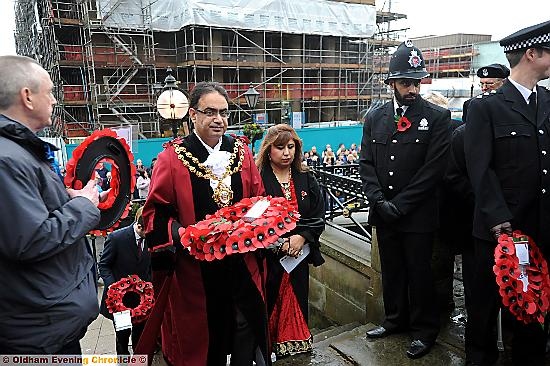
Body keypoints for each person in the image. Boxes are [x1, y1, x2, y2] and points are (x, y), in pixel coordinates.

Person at [141, 81, 270, 366]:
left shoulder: (242, 152)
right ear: (193, 115)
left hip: (242, 263)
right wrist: (186, 235)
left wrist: (257, 222)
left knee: (245, 331)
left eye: (224, 113)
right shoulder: (171, 159)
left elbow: (258, 198)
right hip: (197, 272)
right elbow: (155, 215)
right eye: (210, 112)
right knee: (202, 343)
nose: (219, 120)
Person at [0, 55, 101, 354]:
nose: (55, 100)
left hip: (47, 327)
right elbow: (29, 239)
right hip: (35, 337)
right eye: (50, 91)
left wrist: (65, 198)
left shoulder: (19, 151)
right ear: (27, 97)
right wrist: (82, 206)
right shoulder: (7, 159)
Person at [464, 20, 550, 366]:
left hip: (540, 227)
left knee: (536, 307)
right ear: (532, 54)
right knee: (486, 306)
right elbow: (480, 169)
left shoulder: (547, 101)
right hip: (500, 232)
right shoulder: (487, 107)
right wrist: (500, 221)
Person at [359, 40, 451, 359]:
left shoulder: (438, 117)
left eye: (416, 82)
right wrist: (379, 201)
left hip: (417, 215)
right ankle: (395, 319)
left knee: (419, 272)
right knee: (393, 269)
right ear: (392, 84)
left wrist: (401, 205)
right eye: (405, 82)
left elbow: (433, 169)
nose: (412, 88)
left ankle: (425, 330)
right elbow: (366, 162)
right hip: (384, 212)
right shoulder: (375, 117)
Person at [255, 124, 325, 358]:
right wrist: (279, 243)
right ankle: (269, 346)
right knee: (271, 301)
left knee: (298, 297)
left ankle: (296, 347)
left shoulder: (306, 177)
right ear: (268, 150)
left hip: (299, 257)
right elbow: (253, 220)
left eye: (291, 147)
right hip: (270, 258)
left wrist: (301, 238)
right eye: (280, 147)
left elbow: (318, 215)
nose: (286, 153)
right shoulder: (258, 180)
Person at [99, 206, 151, 355]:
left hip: (142, 301)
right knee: (122, 338)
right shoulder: (117, 238)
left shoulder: (150, 238)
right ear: (139, 225)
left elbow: (150, 266)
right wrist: (114, 288)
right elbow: (104, 265)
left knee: (140, 338)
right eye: (146, 231)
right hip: (120, 303)